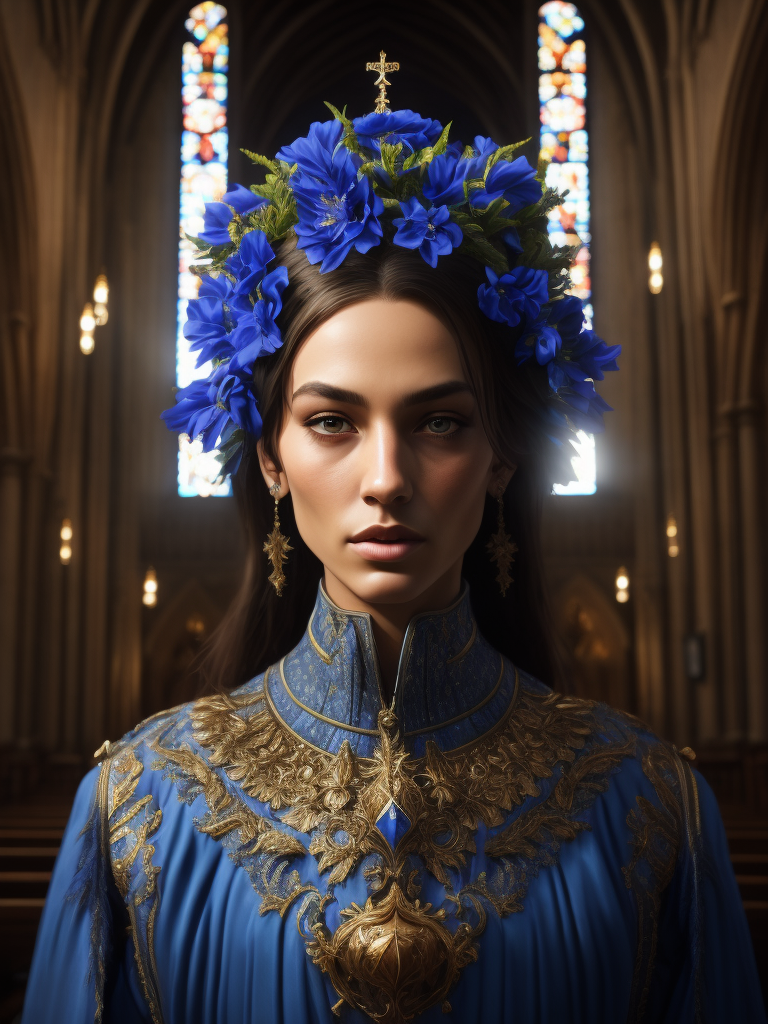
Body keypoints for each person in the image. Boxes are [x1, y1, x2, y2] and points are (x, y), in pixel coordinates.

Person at [23, 93, 764, 1024]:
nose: (386, 479)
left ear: (500, 457)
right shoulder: (136, 805)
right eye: (332, 422)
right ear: (270, 459)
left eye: (439, 422)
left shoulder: (654, 809)